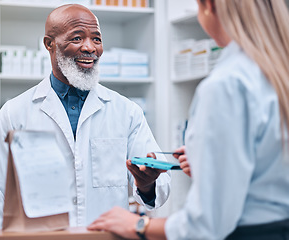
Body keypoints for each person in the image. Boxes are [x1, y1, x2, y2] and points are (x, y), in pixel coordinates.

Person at [88, 0, 289, 239]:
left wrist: (137, 225)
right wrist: (211, 166)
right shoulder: (276, 73)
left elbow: (205, 225)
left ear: (209, 6)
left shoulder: (226, 85)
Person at [0, 4, 171, 229]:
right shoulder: (15, 112)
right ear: (49, 44)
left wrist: (147, 185)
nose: (89, 47)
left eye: (96, 39)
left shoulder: (126, 111)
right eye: (77, 38)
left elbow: (161, 183)